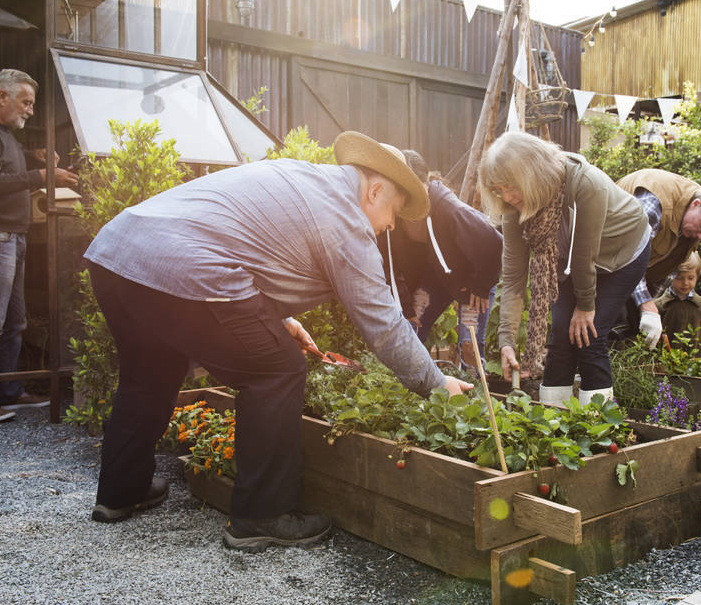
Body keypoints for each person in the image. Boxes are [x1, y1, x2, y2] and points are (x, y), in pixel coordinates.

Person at [82, 131, 472, 551]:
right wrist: (437, 384)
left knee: (150, 372)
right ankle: (262, 516)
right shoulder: (344, 217)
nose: (392, 224)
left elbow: (241, 241)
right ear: (375, 190)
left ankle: (121, 491)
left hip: (117, 256)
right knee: (278, 369)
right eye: (394, 211)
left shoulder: (301, 177)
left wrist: (281, 318)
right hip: (183, 268)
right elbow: (383, 323)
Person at [479, 132, 650, 407]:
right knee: (560, 334)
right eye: (499, 189)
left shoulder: (585, 184)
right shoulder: (512, 207)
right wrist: (507, 340)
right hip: (569, 259)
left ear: (532, 173)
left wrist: (585, 305)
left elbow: (585, 255)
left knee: (588, 337)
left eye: (511, 186)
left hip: (622, 254)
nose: (507, 196)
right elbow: (512, 279)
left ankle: (598, 428)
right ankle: (553, 423)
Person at [0, 68, 78, 423]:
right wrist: (40, 176)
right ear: (1, 97)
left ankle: (8, 391)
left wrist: (33, 156)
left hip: (9, 236)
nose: (30, 110)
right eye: (26, 102)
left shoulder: (0, 134)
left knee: (14, 322)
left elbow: (5, 162)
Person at [378, 150, 502, 371]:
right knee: (409, 331)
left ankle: (475, 398)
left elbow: (493, 243)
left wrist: (481, 286)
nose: (411, 201)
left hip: (471, 278)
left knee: (469, 346)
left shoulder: (448, 207)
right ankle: (408, 391)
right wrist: (406, 307)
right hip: (437, 276)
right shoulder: (392, 213)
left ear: (425, 184)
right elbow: (389, 266)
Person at [615, 168, 701, 350]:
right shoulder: (656, 205)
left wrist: (644, 311)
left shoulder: (688, 231)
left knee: (630, 333)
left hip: (624, 275)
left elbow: (663, 270)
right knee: (600, 331)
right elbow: (627, 254)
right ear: (696, 204)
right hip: (602, 263)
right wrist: (646, 305)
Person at [654, 252, 701, 352]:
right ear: (669, 276)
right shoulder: (658, 306)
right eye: (679, 278)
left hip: (697, 364)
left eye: (690, 278)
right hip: (665, 365)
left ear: (697, 276)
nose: (685, 283)